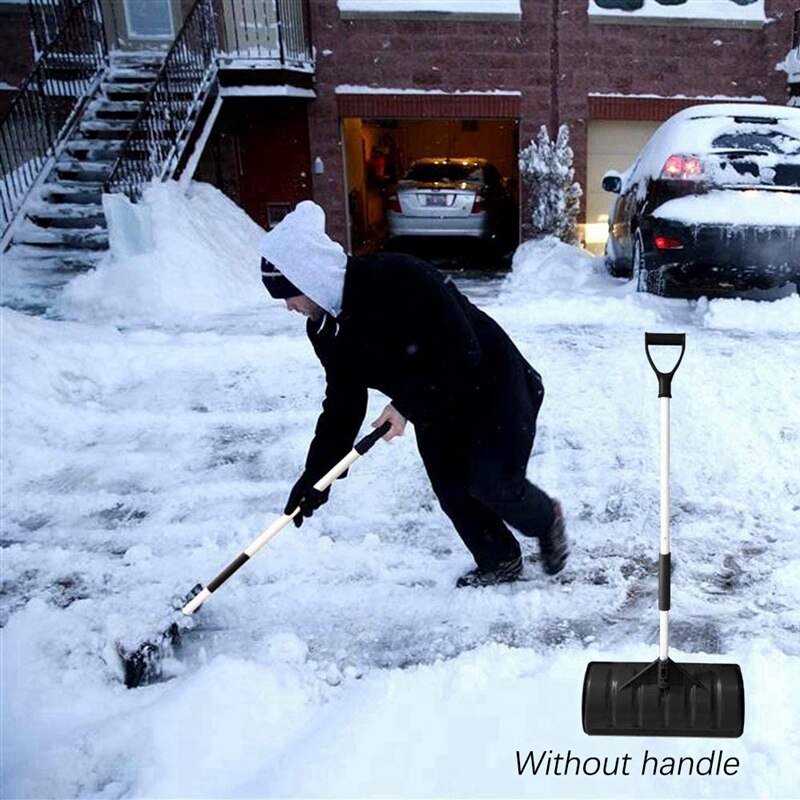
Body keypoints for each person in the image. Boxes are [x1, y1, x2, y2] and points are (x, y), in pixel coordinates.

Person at [260, 201, 568, 587]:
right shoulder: (325, 330)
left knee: (493, 483)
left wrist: (406, 406)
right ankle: (500, 559)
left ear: (310, 277)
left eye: (289, 294)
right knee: (451, 486)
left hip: (494, 384)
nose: (289, 307)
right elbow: (343, 404)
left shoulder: (397, 277)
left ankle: (547, 519)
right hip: (434, 402)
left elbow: (464, 351)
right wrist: (315, 478)